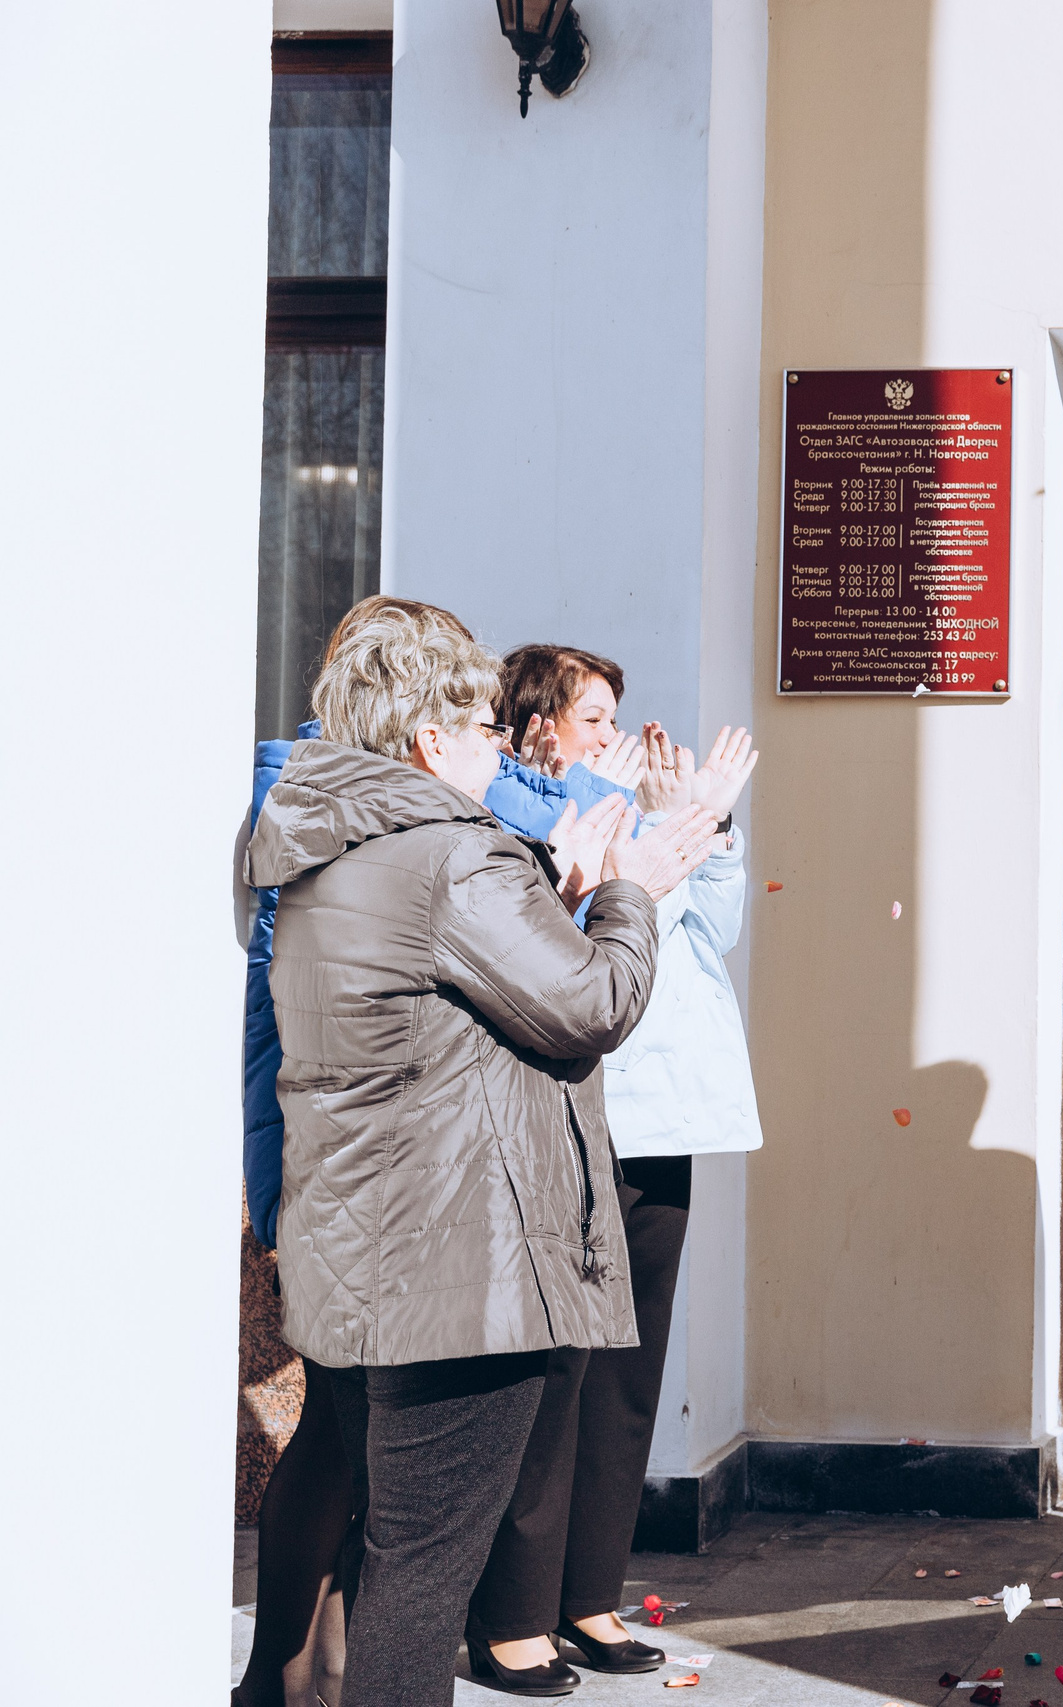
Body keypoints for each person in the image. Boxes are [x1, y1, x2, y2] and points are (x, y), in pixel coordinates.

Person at [248, 608, 720, 1707]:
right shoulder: (456, 857)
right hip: (462, 1267)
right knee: (422, 1568)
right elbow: (593, 1002)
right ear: (425, 742)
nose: (496, 748)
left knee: (385, 1539)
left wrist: (558, 901)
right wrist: (628, 891)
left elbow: (431, 1018)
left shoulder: (329, 843)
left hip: (363, 1239)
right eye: (476, 726)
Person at [467, 645, 765, 1692]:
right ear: (536, 723)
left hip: (667, 1113)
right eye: (591, 717)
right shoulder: (516, 814)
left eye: (611, 717)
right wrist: (643, 829)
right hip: (581, 1111)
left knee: (632, 1374)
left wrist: (706, 827)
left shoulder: (630, 808)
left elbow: (713, 930)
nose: (611, 736)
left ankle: (588, 1597)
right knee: (556, 1372)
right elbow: (572, 936)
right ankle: (510, 1617)